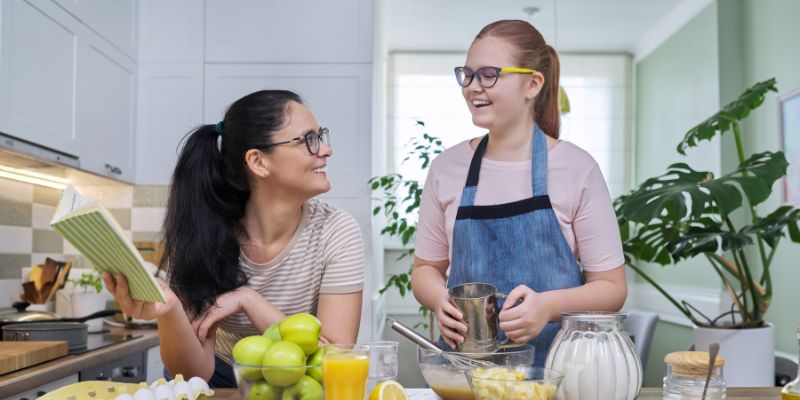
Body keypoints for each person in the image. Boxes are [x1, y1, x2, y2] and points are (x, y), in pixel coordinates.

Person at [104, 90, 365, 387]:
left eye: (321, 137)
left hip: (299, 383)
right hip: (217, 383)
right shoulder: (204, 230)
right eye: (309, 140)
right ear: (258, 162)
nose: (326, 150)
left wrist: (248, 300)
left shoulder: (337, 231)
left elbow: (334, 358)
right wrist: (170, 311)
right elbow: (194, 373)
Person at [411, 20, 627, 365]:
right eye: (467, 74)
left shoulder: (578, 168)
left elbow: (612, 288)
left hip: (556, 374)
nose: (472, 87)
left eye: (488, 74)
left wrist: (549, 306)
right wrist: (440, 299)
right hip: (465, 375)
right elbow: (425, 269)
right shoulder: (446, 168)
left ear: (533, 84)